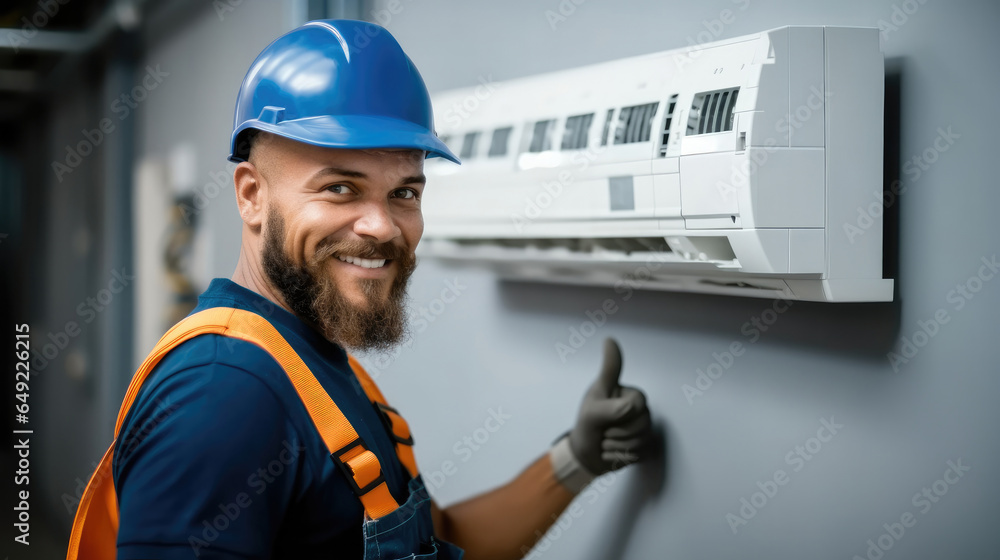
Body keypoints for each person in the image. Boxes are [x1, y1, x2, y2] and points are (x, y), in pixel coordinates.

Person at [67, 19, 654, 560]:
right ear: (251, 195)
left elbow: (443, 540)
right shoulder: (224, 393)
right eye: (341, 189)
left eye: (404, 192)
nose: (381, 226)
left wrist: (574, 459)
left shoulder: (306, 360)